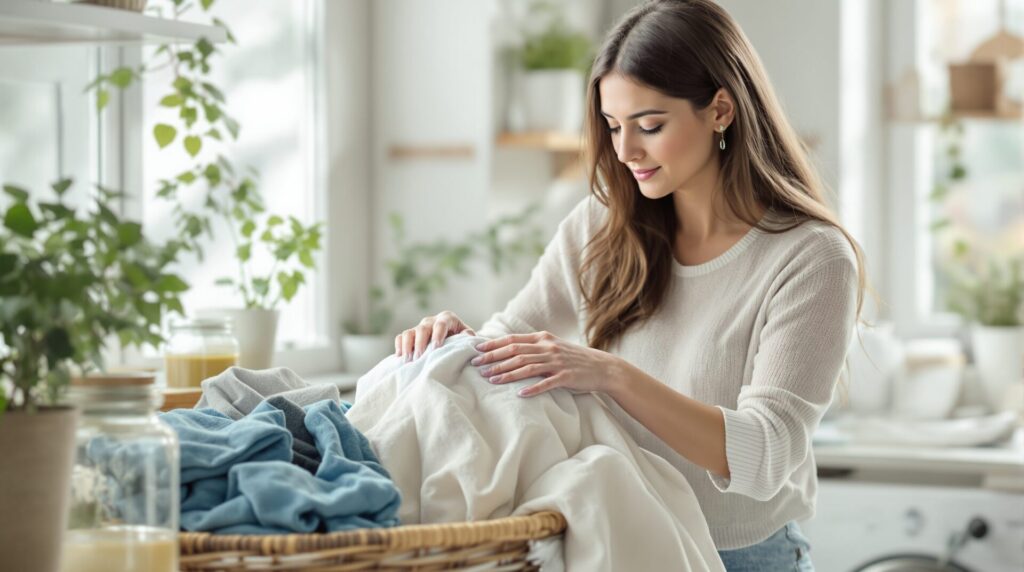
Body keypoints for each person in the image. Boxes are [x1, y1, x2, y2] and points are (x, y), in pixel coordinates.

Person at [394, 1, 866, 569]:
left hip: (742, 558)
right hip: (623, 542)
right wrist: (458, 342)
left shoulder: (810, 258)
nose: (625, 151)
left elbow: (767, 455)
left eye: (650, 125)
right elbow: (512, 341)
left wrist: (612, 374)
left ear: (720, 109)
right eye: (613, 127)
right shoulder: (602, 224)